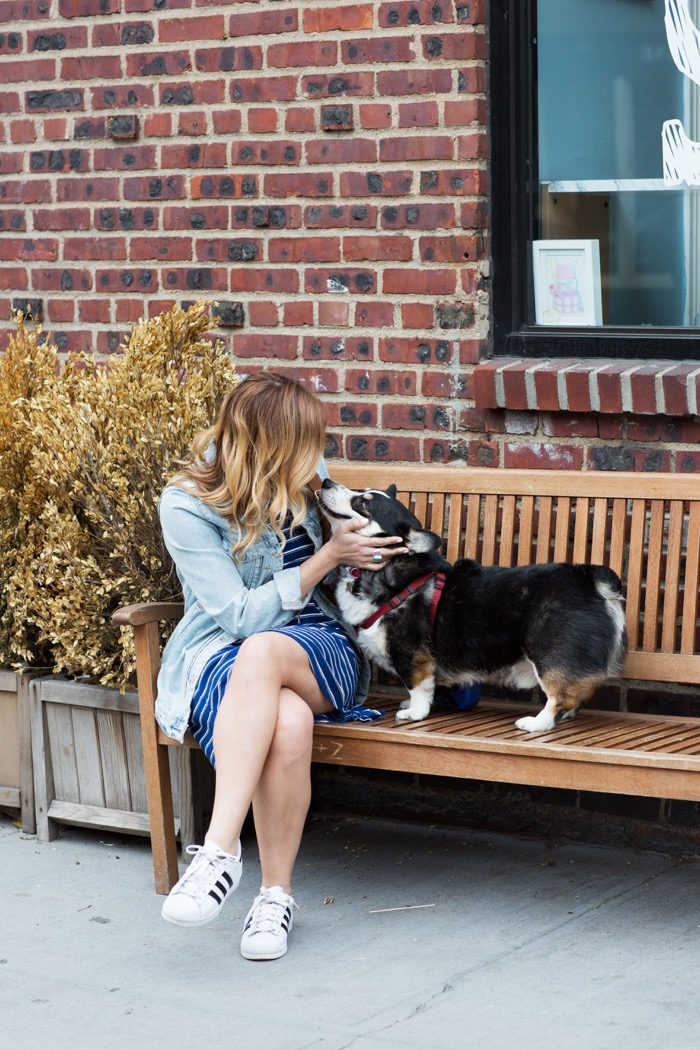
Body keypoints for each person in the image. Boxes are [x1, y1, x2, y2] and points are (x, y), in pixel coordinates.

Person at [155, 372, 407, 961]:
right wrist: (327, 556)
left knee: (266, 652)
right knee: (286, 719)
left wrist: (359, 537)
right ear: (268, 446)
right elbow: (240, 617)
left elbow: (359, 529)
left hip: (316, 645)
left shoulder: (306, 471)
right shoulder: (186, 504)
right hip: (223, 649)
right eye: (303, 445)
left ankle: (218, 850)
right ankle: (275, 898)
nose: (317, 459)